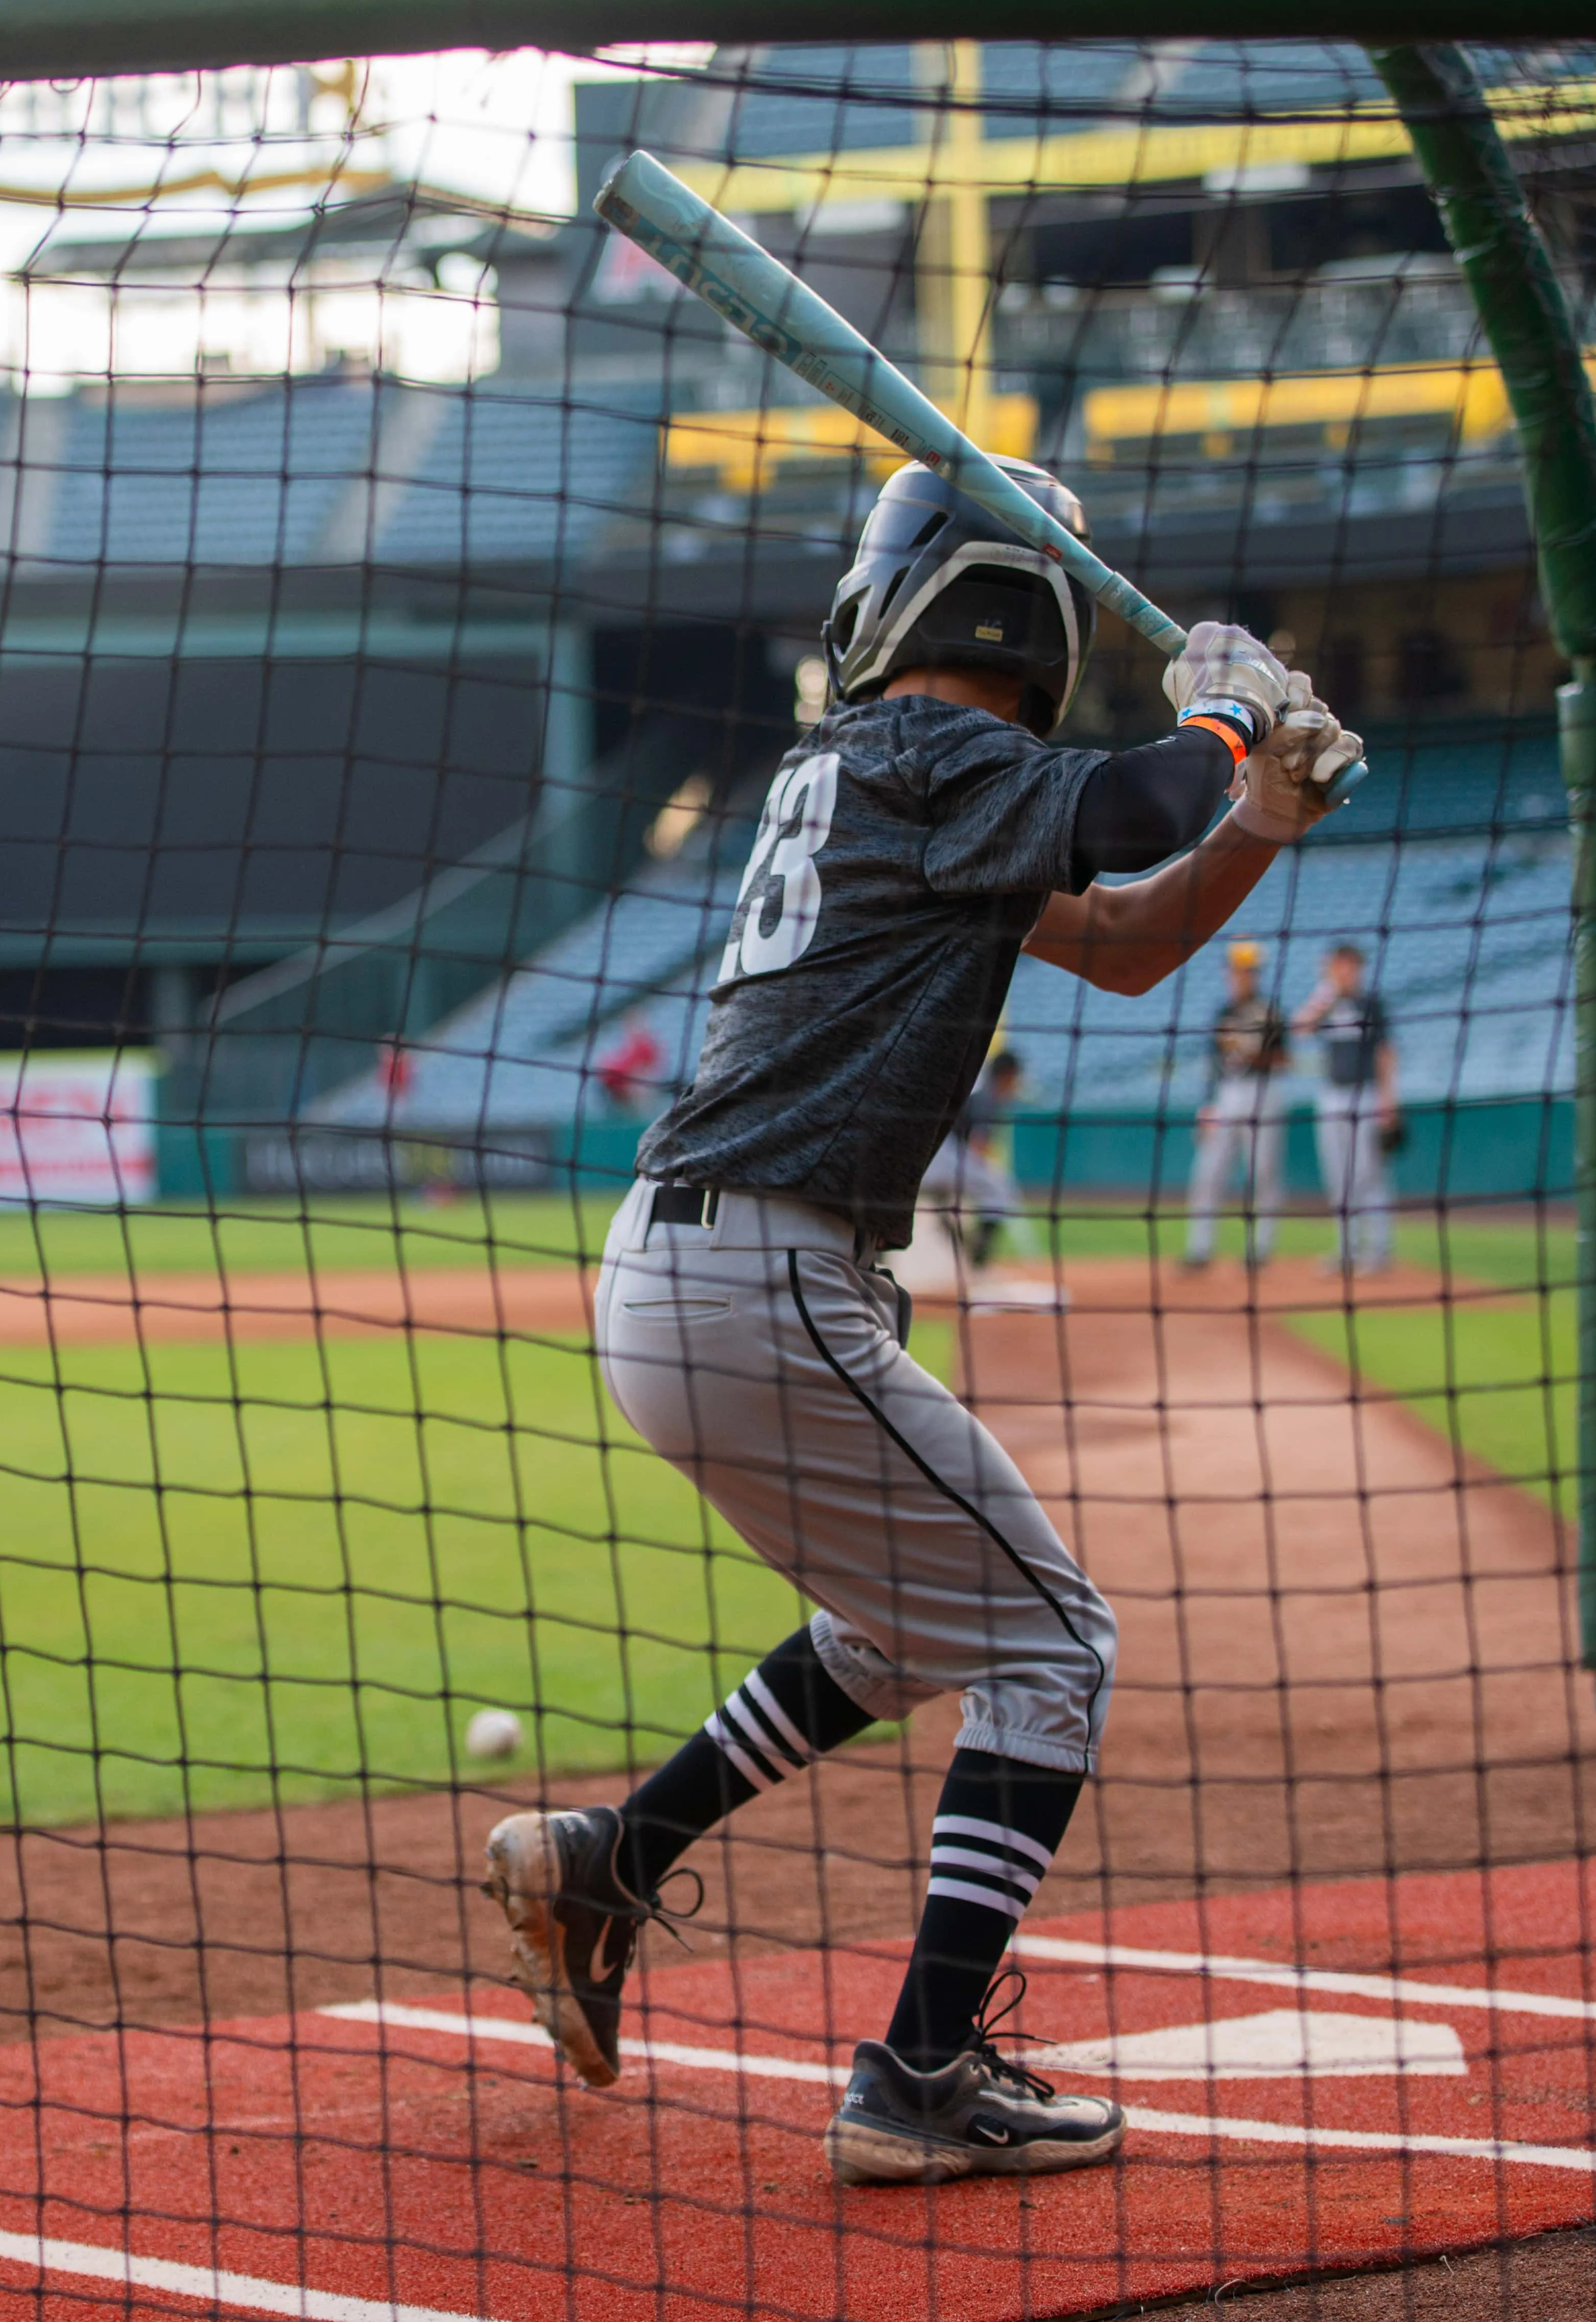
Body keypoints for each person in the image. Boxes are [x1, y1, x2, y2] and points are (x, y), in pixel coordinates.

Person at [482, 456, 1355, 2189]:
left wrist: (1259, 815)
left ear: (888, 600)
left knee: (902, 1629)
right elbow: (1131, 812)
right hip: (763, 1279)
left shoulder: (892, 772)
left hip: (702, 1277)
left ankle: (610, 1858)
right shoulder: (939, 753)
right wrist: (1229, 719)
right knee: (1055, 1645)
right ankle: (920, 2072)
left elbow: (1123, 938)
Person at [1180, 938, 1287, 1270]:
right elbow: (1214, 1064)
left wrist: (1249, 1052)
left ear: (1255, 973)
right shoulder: (1223, 1012)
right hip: (1226, 1094)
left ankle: (1260, 1248)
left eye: (1246, 971)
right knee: (1208, 1173)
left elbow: (1284, 1059)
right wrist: (1208, 1105)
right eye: (1236, 970)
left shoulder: (1270, 1012)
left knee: (1263, 1173)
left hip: (1262, 1092)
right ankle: (1200, 1249)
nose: (1240, 976)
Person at [1295, 941, 1398, 1274]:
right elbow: (1301, 1028)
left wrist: (1388, 1099)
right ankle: (1347, 1250)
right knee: (1338, 1174)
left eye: (1349, 965)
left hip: (1365, 1093)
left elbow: (1386, 1052)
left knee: (1369, 1173)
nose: (1343, 971)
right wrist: (1326, 994)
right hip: (1331, 1094)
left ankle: (1378, 1249)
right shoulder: (1327, 1003)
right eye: (1337, 965)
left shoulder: (1371, 1004)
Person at [917, 1048, 1030, 1265]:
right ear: (1008, 1074)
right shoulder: (988, 1096)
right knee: (1000, 1188)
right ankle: (979, 1256)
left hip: (927, 1159)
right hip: (946, 1157)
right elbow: (979, 1143)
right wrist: (987, 1168)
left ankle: (950, 1222)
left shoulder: (978, 1088)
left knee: (932, 1198)